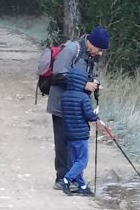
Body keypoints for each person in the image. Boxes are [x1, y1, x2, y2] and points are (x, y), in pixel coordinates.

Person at [47, 26, 110, 190]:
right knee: (63, 143)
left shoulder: (92, 56)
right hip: (61, 104)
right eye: (100, 49)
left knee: (75, 142)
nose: (101, 53)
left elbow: (89, 76)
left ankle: (73, 178)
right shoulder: (72, 49)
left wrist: (94, 83)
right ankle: (61, 179)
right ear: (92, 43)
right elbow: (57, 75)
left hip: (77, 106)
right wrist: (85, 84)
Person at [60, 67, 99, 196]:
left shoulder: (64, 96)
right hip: (81, 135)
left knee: (76, 161)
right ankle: (67, 179)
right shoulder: (83, 97)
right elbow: (88, 115)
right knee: (82, 161)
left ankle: (82, 186)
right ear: (81, 81)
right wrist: (95, 116)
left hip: (68, 134)